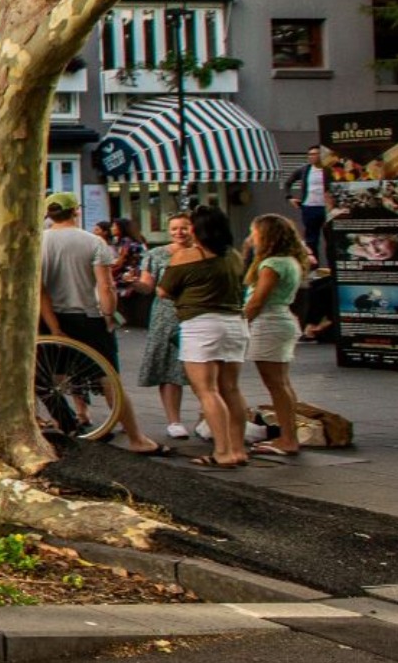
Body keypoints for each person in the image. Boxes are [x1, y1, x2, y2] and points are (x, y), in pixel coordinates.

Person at [37, 192, 167, 456]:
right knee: (108, 378)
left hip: (48, 316)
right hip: (86, 315)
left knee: (49, 376)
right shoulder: (94, 242)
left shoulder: (37, 242)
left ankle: (66, 423)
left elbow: (38, 289)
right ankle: (136, 437)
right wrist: (109, 316)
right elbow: (105, 286)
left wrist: (53, 325)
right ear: (76, 211)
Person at [160, 205, 251, 469]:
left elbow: (163, 291)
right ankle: (238, 449)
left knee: (207, 391)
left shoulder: (188, 256)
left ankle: (222, 452)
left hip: (201, 325)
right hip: (235, 323)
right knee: (231, 389)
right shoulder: (233, 256)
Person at [241, 214, 310, 457]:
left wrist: (241, 322)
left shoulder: (271, 265)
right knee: (282, 383)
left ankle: (288, 439)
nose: (251, 238)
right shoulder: (291, 261)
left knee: (276, 384)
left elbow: (258, 300)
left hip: (269, 322)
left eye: (255, 233)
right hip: (282, 320)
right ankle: (289, 435)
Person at [131, 215, 196, 438]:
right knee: (168, 368)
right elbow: (147, 287)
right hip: (165, 315)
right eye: (174, 228)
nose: (179, 232)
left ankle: (207, 418)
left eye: (184, 228)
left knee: (202, 369)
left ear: (193, 229)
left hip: (195, 314)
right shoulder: (156, 254)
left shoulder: (204, 252)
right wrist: (133, 283)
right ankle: (174, 421)